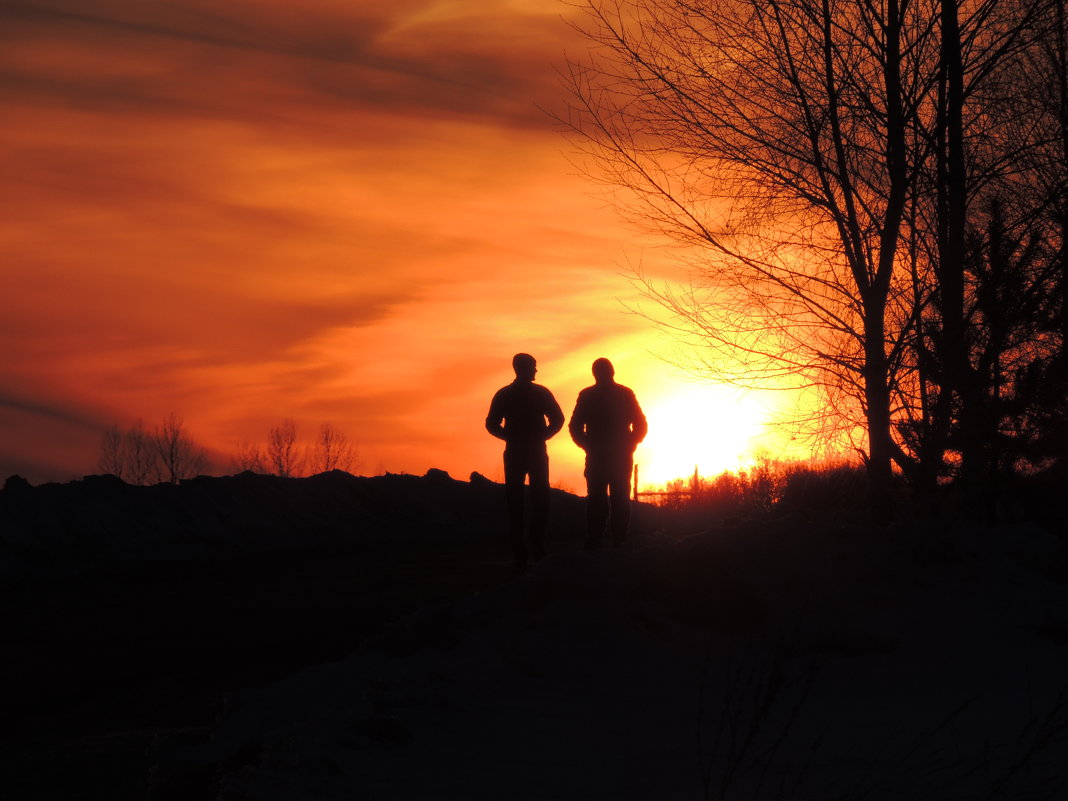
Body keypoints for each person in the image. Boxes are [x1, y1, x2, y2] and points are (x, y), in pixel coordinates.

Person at [485, 353, 565, 569]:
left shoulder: (506, 394)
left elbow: (491, 424)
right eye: (534, 367)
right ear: (525, 368)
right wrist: (542, 435)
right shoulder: (538, 393)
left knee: (520, 501)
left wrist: (512, 437)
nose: (536, 371)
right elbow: (558, 419)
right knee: (533, 500)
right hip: (529, 451)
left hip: (519, 451)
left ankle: (527, 548)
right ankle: (531, 548)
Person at [569, 357, 647, 548]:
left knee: (608, 498)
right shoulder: (618, 394)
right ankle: (610, 539)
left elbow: (640, 425)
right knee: (606, 499)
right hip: (605, 456)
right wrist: (587, 445)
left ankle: (610, 539)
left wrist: (630, 443)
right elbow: (575, 427)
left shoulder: (614, 394)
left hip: (611, 456)